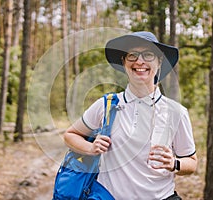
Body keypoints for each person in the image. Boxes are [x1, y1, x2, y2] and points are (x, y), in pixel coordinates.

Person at [63, 31, 197, 200]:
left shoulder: (176, 112)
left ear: (159, 61)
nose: (139, 61)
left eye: (148, 55)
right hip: (108, 196)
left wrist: (174, 163)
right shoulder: (107, 105)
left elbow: (191, 162)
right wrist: (90, 148)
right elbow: (70, 135)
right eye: (132, 55)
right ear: (124, 62)